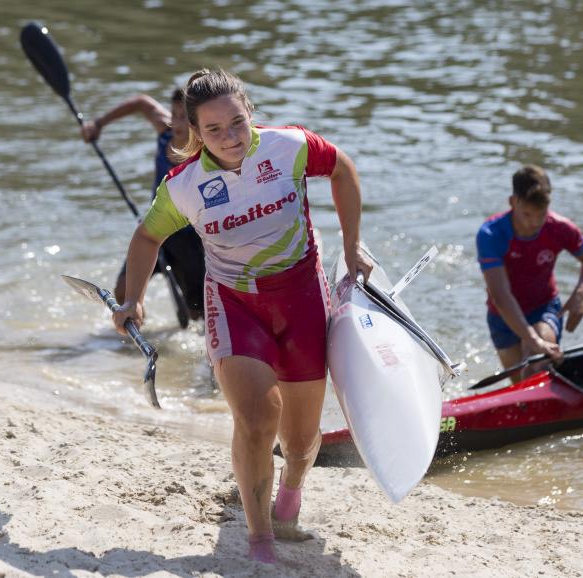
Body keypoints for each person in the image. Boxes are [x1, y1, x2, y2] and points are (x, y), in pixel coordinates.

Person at [112, 68, 373, 564]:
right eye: (214, 129)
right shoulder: (184, 186)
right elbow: (148, 237)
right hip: (236, 303)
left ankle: (290, 494)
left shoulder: (289, 147)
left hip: (302, 298)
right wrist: (133, 298)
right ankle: (260, 541)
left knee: (299, 442)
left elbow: (342, 169)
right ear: (193, 133)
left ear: (249, 112)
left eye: (236, 123)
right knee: (256, 419)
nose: (230, 138)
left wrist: (353, 245)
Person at [81, 88, 205, 319]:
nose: (175, 122)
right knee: (122, 291)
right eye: (173, 114)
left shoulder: (203, 152)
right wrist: (98, 123)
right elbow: (141, 102)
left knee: (197, 313)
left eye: (184, 117)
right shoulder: (165, 133)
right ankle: (138, 333)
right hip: (155, 228)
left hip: (189, 238)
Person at [476, 165, 583, 378]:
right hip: (503, 315)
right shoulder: (490, 234)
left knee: (535, 364)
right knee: (518, 384)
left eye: (541, 214)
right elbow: (501, 296)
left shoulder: (560, 228)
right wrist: (532, 338)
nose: (534, 222)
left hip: (543, 307)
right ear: (513, 202)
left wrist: (579, 296)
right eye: (527, 214)